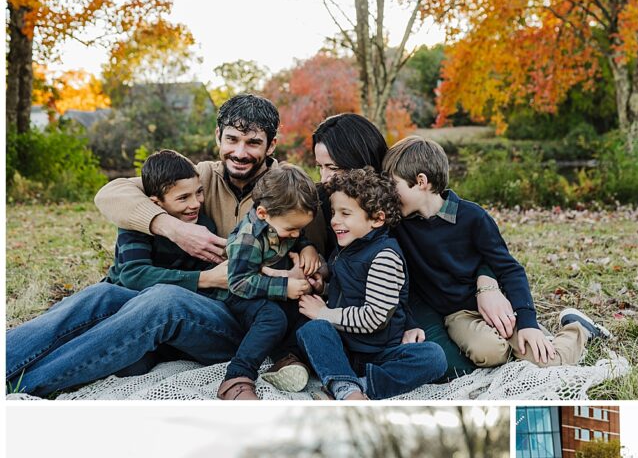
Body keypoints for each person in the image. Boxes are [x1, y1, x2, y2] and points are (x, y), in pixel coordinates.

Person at [6, 95, 328, 396]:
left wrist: (310, 258)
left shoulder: (288, 186)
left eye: (253, 143)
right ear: (218, 136)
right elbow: (112, 194)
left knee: (166, 301)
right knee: (102, 293)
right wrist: (172, 227)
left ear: (272, 144)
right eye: (232, 139)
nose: (240, 152)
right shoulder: (200, 176)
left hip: (244, 320)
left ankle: (25, 387)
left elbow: (317, 251)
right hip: (203, 301)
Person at [7, 150, 228, 396]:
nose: (196, 203)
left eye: (199, 193)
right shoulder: (141, 218)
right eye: (184, 197)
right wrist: (203, 277)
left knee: (155, 304)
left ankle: (23, 385)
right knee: (101, 294)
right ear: (156, 203)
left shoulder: (205, 226)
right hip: (146, 307)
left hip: (196, 318)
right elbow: (132, 274)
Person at [311, 113, 513, 380]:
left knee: (449, 366)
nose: (326, 178)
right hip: (353, 310)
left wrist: (486, 280)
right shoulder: (320, 203)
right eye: (320, 167)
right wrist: (308, 251)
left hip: (412, 300)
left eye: (334, 168)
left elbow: (462, 239)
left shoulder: (396, 201)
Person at [383, 135, 610, 369]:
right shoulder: (400, 228)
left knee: (549, 361)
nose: (388, 195)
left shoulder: (472, 217)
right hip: (459, 315)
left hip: (498, 305)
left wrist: (528, 322)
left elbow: (509, 268)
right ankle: (510, 348)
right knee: (489, 352)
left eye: (393, 185)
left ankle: (578, 329)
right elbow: (399, 283)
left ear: (421, 181)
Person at [295, 168, 447, 399]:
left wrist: (324, 313)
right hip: (345, 346)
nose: (335, 221)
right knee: (312, 331)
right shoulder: (348, 246)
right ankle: (345, 382)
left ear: (377, 218)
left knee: (433, 357)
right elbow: (348, 289)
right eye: (334, 212)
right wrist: (323, 288)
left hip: (380, 351)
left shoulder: (384, 256)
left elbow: (375, 317)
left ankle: (357, 387)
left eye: (345, 213)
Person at [216, 165, 320, 400]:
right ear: (263, 214)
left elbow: (298, 237)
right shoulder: (248, 238)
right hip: (242, 296)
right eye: (291, 229)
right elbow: (238, 283)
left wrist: (308, 247)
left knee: (304, 309)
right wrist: (285, 288)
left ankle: (285, 358)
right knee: (272, 317)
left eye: (300, 229)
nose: (295, 234)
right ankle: (237, 376)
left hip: (271, 288)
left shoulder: (283, 220)